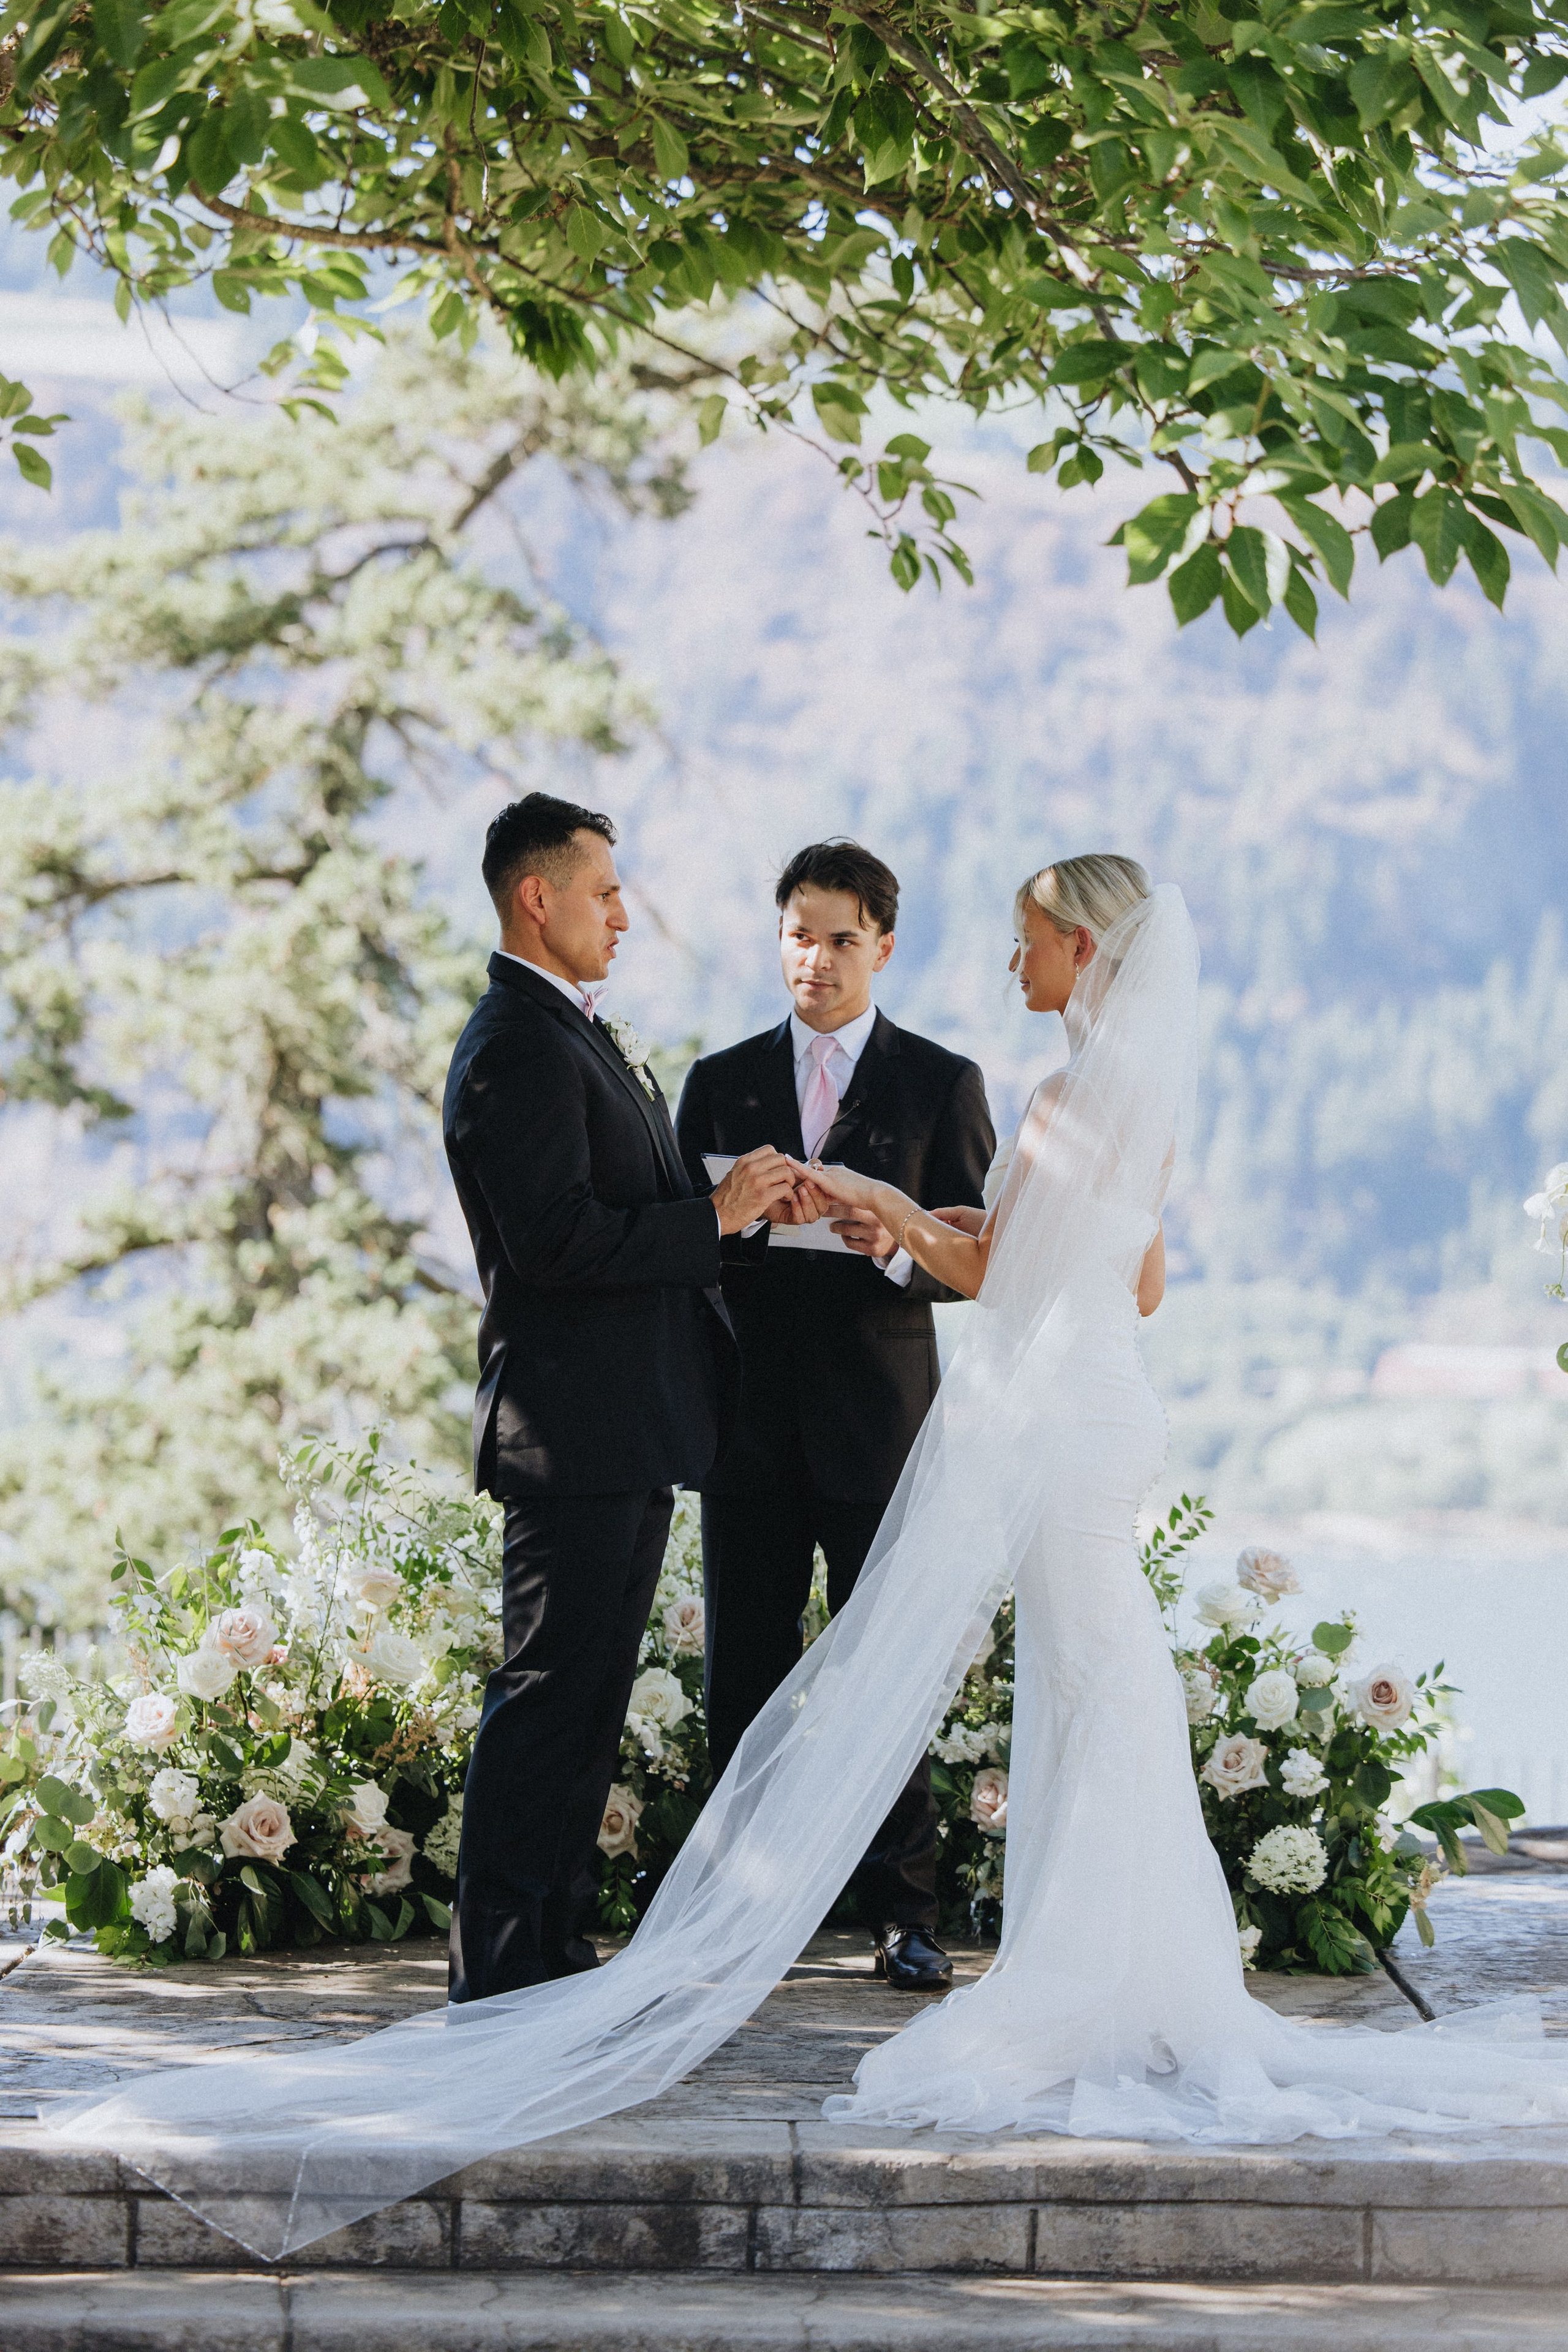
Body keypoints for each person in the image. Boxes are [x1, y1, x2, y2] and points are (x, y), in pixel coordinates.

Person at [53, 855, 1568, 2261]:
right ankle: (1136, 1975)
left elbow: (983, 1268)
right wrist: (960, 1223)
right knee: (1105, 1683)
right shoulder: (1131, 1103)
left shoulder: (1046, 1099)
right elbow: (1140, 1279)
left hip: (1046, 1426)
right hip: (1110, 1413)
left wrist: (878, 1201)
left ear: (1081, 948)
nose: (1014, 957)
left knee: (1090, 1683)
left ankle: (1089, 1976)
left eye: (1031, 938)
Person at [440, 793, 799, 2001]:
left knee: (584, 1702)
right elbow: (550, 1242)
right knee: (546, 1696)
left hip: (624, 1424)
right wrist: (710, 1218)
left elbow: (611, 1198)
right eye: (604, 893)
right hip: (569, 1430)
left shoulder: (567, 1033)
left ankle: (548, 1948)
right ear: (536, 899)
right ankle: (494, 1966)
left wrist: (727, 1198)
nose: (623, 915)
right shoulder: (514, 1044)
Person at [675, 839, 995, 1990]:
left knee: (884, 1677)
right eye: (798, 935)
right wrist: (733, 1220)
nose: (815, 959)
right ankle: (726, 1921)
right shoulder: (716, 1082)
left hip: (883, 1428)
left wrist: (897, 1248)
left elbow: (979, 1265)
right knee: (745, 1675)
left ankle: (906, 1917)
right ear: (778, 939)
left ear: (885, 947)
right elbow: (684, 1258)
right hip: (749, 1427)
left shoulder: (941, 1083)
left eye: (841, 939)